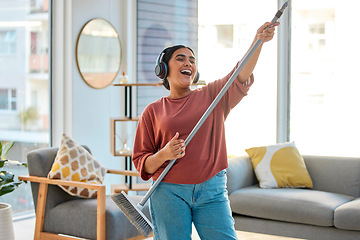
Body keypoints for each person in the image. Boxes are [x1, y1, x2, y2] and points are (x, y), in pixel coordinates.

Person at [132, 22, 279, 240]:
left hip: (212, 189)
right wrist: (165, 154)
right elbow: (142, 163)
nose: (188, 63)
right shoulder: (152, 111)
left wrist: (258, 41)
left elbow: (239, 73)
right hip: (168, 191)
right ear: (163, 69)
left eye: (192, 60)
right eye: (180, 58)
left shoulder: (211, 95)